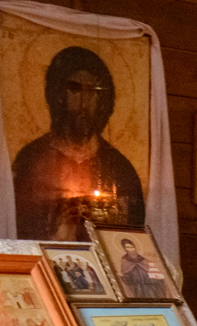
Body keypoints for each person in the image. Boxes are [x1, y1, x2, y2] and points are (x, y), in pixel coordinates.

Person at [11, 44, 146, 240]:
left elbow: (131, 236)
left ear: (101, 100)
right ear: (58, 95)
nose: (84, 103)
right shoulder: (31, 160)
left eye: (92, 92)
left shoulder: (121, 169)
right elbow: (21, 228)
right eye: (75, 90)